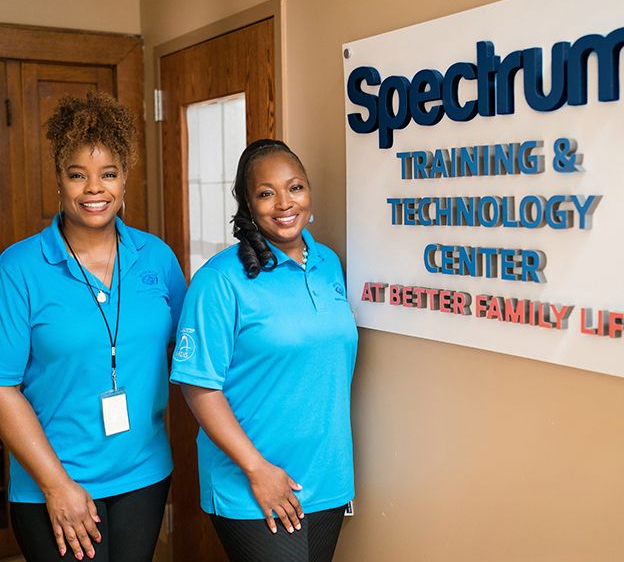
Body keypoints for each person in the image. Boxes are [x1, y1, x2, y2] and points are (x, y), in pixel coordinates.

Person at [0, 91, 187, 562]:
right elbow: (2, 387)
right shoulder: (19, 267)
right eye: (77, 175)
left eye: (108, 174)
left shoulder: (157, 258)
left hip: (143, 475)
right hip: (53, 481)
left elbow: (193, 353)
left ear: (126, 178)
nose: (94, 189)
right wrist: (56, 485)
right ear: (59, 180)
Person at [170, 139, 357, 562]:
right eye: (265, 193)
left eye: (295, 188)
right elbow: (198, 387)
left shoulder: (328, 263)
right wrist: (257, 470)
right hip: (253, 481)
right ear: (248, 204)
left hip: (326, 475)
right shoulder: (219, 281)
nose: (284, 203)